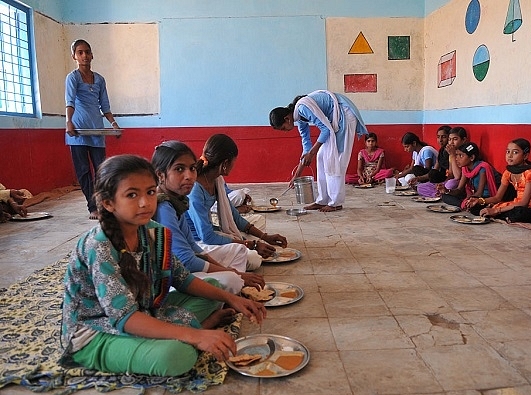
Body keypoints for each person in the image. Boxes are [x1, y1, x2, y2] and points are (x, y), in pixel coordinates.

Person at [60, 154, 266, 377]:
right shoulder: (98, 245)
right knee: (176, 357)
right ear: (108, 203)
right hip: (96, 332)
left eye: (150, 192)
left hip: (145, 312)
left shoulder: (153, 231)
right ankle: (199, 329)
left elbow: (183, 278)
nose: (145, 202)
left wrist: (232, 298)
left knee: (217, 289)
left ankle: (191, 330)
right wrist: (196, 336)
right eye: (131, 195)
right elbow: (124, 318)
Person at [151, 141, 265, 294]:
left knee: (234, 271)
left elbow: (193, 247)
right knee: (233, 279)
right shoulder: (165, 208)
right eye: (179, 169)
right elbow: (187, 258)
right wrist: (234, 273)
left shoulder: (177, 200)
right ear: (160, 175)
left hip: (187, 261)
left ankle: (229, 292)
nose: (189, 176)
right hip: (169, 280)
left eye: (192, 168)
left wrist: (227, 270)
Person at [186, 134, 288, 269]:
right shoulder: (195, 190)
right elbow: (207, 237)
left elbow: (233, 215)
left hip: (213, 232)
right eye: (234, 161)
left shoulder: (217, 180)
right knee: (253, 259)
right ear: (225, 164)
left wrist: (264, 236)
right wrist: (252, 244)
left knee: (258, 220)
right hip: (198, 243)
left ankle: (243, 245)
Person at [269, 90, 368, 212]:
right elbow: (306, 145)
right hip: (336, 117)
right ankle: (323, 200)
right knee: (321, 156)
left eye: (283, 128)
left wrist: (311, 153)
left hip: (344, 113)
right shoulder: (299, 117)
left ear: (287, 119)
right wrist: (296, 175)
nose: (285, 131)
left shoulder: (302, 108)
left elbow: (325, 130)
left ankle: (335, 202)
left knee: (336, 159)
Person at [65, 39, 120, 220]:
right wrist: (69, 122)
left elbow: (105, 105)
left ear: (92, 54)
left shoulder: (100, 80)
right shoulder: (72, 78)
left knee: (101, 170)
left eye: (87, 52)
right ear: (74, 56)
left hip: (96, 130)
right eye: (80, 52)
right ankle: (92, 207)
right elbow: (70, 101)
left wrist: (113, 124)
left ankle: (103, 204)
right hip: (78, 132)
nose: (84, 56)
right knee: (83, 171)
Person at [469, 138, 531, 223]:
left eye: (515, 152)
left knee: (519, 213)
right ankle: (503, 215)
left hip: (529, 208)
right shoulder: (508, 172)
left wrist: (497, 210)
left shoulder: (529, 173)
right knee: (476, 208)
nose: (510, 156)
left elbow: (524, 203)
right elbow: (497, 197)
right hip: (514, 204)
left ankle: (501, 215)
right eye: (508, 151)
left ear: (525, 156)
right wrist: (479, 200)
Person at [439, 142, 501, 214]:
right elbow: (459, 189)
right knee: (445, 196)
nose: (456, 158)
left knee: (475, 208)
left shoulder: (483, 168)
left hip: (486, 197)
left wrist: (469, 200)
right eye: (456, 155)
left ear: (471, 158)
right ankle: (465, 205)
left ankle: (467, 205)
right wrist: (447, 190)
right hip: (474, 196)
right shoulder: (465, 168)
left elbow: (479, 193)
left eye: (461, 156)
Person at [416, 125, 451, 197]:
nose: (440, 140)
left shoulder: (452, 152)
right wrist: (418, 178)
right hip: (441, 180)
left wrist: (442, 183)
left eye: (443, 137)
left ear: (449, 138)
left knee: (450, 184)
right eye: (438, 137)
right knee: (420, 187)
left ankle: (441, 192)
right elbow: (435, 169)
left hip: (448, 180)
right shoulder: (441, 151)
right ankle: (437, 193)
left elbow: (451, 175)